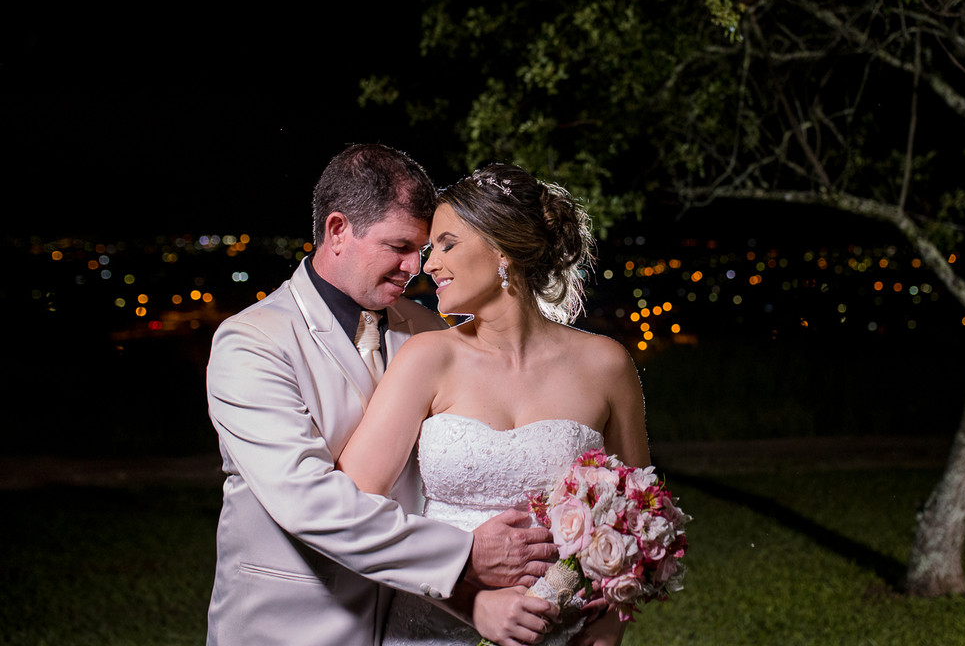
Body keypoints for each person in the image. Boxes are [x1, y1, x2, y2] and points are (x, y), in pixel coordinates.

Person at [206, 145, 557, 646]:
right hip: (288, 629)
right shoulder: (251, 343)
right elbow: (309, 503)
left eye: (423, 248)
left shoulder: (427, 332)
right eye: (399, 246)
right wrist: (464, 556)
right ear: (337, 231)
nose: (415, 266)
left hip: (410, 626)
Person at [338, 163, 651, 646]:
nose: (428, 264)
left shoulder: (605, 365)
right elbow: (355, 505)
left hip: (563, 633)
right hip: (436, 627)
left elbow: (637, 513)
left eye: (446, 244)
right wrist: (468, 602)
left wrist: (612, 619)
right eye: (428, 249)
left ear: (501, 247)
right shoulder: (428, 358)